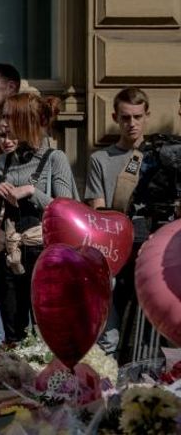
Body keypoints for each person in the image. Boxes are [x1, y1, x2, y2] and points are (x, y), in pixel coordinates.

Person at [0, 93, 78, 343]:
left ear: (25, 121)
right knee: (13, 332)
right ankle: (15, 379)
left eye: (10, 117)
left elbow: (66, 212)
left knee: (47, 329)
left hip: (43, 255)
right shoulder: (1, 163)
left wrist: (32, 192)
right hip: (10, 255)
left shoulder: (54, 159)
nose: (5, 123)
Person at [84, 87, 153, 361]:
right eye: (125, 117)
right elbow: (98, 212)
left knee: (150, 330)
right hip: (116, 251)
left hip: (152, 250)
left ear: (147, 116)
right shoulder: (100, 159)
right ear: (115, 117)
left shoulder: (162, 156)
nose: (132, 124)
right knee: (109, 335)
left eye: (137, 116)